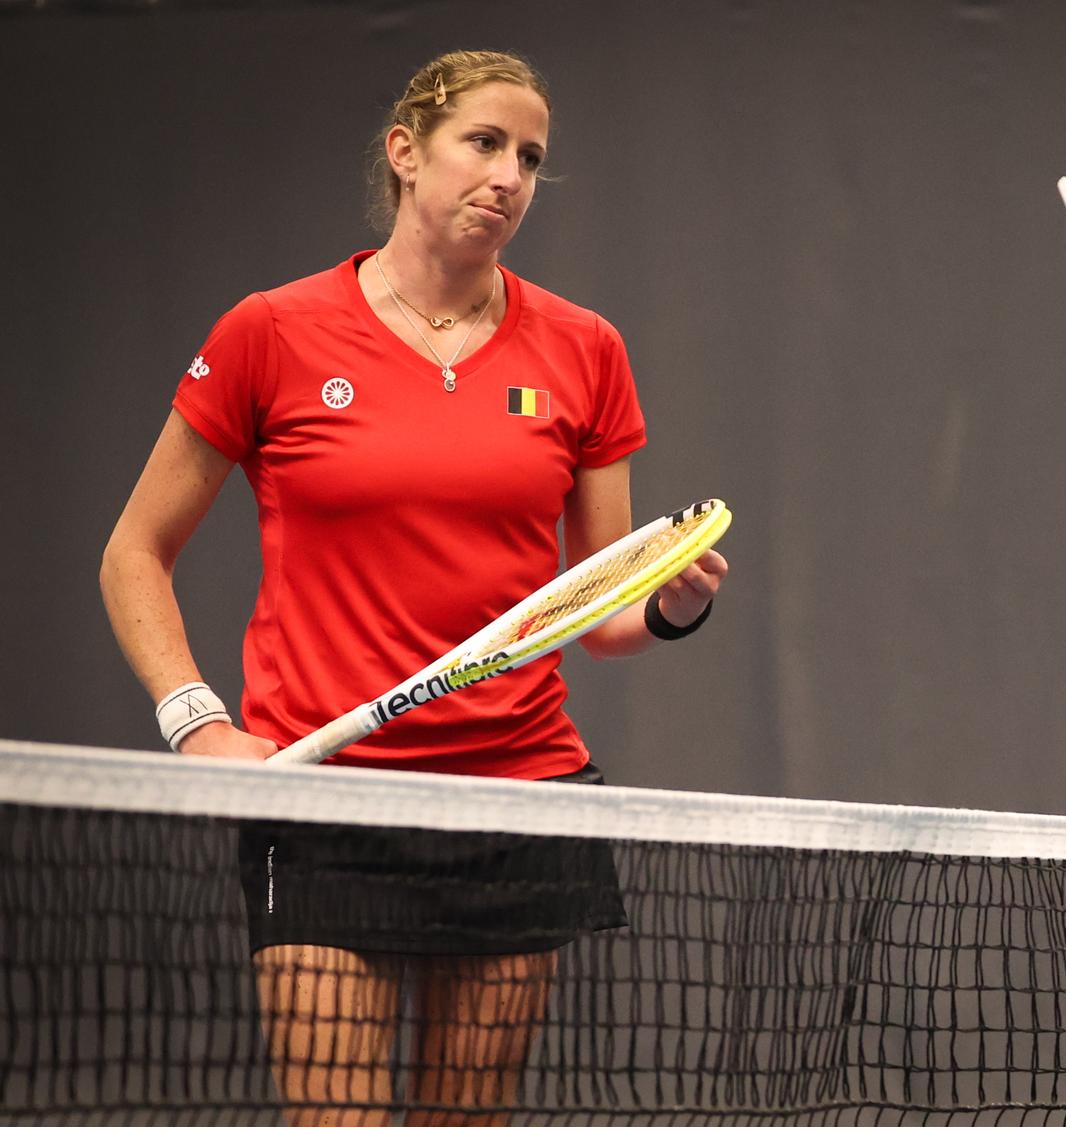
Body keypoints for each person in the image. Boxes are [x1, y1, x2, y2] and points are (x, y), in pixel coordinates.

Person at [99, 50, 728, 1125]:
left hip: (515, 799)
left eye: (530, 157)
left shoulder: (586, 350)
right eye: (483, 143)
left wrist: (673, 604)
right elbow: (133, 551)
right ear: (405, 151)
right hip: (323, 798)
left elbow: (602, 614)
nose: (510, 175)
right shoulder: (273, 331)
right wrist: (197, 721)